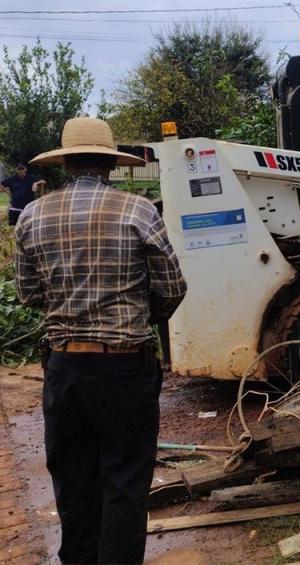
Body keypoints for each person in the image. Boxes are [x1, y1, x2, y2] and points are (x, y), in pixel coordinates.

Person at [14, 117, 187, 564]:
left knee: (73, 481)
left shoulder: (33, 214)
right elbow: (172, 287)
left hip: (65, 366)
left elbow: (29, 293)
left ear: (66, 162)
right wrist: (139, 318)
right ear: (110, 164)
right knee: (125, 483)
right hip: (125, 365)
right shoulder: (139, 210)